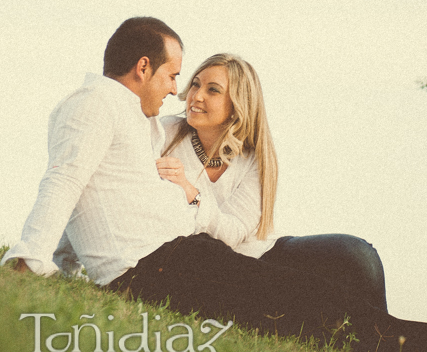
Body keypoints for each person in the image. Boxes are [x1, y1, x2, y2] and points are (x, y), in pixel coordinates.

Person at [2, 18, 427, 352]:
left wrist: (189, 193)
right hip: (163, 263)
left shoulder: (124, 114)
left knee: (335, 285)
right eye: (175, 77)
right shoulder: (109, 111)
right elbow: (66, 180)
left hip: (192, 254)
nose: (179, 92)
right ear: (143, 67)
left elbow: (93, 190)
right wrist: (32, 258)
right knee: (317, 309)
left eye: (207, 88)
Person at [155, 53, 387, 312]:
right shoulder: (166, 134)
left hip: (265, 254)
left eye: (213, 90)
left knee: (356, 256)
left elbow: (232, 234)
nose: (196, 96)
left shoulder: (254, 158)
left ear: (237, 105)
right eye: (195, 84)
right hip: (217, 266)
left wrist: (191, 193)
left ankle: (383, 339)